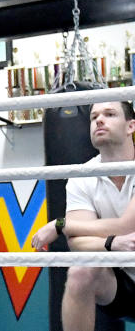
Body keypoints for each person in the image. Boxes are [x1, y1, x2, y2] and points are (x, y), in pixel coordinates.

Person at [30, 101, 135, 330]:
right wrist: (111, 243)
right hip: (124, 285)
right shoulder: (82, 177)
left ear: (131, 126)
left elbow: (127, 225)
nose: (99, 120)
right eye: (93, 116)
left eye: (109, 114)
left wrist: (61, 225)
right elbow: (79, 244)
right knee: (80, 271)